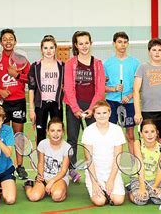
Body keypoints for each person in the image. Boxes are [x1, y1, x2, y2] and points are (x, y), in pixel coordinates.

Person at [0, 28, 30, 180]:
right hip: (1, 103)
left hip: (18, 101)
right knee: (0, 134)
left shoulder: (21, 59)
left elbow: (29, 79)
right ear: (0, 42)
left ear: (15, 41)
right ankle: (2, 165)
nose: (8, 41)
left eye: (10, 38)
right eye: (5, 39)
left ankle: (20, 166)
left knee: (18, 134)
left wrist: (17, 75)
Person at [64, 31, 105, 183]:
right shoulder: (70, 64)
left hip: (92, 106)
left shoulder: (98, 64)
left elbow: (100, 89)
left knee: (94, 138)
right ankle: (72, 169)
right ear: (76, 45)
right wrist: (75, 108)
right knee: (72, 139)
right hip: (73, 105)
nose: (84, 46)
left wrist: (92, 108)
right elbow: (68, 88)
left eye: (86, 43)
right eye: (80, 43)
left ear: (91, 43)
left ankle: (97, 167)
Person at [81, 100, 125, 206]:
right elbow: (89, 160)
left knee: (118, 200)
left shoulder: (117, 130)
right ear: (94, 115)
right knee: (100, 201)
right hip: (95, 173)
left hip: (112, 172)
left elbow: (117, 158)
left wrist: (111, 180)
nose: (102, 116)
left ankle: (110, 186)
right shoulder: (88, 131)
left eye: (104, 113)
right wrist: (95, 182)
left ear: (109, 113)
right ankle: (95, 187)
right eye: (98, 113)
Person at [133, 38, 161, 143]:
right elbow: (135, 90)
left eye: (160, 50)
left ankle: (160, 159)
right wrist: (138, 112)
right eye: (154, 50)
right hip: (147, 111)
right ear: (149, 52)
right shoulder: (142, 68)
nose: (157, 52)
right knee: (147, 141)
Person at [104, 32, 140, 154]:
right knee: (111, 135)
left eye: (125, 42)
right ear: (114, 44)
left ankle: (134, 164)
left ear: (128, 44)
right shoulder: (107, 64)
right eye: (119, 42)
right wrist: (113, 89)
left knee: (130, 135)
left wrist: (129, 95)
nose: (122, 45)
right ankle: (111, 162)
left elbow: (139, 86)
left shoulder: (135, 63)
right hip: (112, 103)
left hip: (129, 103)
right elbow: (101, 87)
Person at [27, 35, 65, 145]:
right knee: (41, 135)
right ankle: (41, 161)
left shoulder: (62, 66)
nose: (49, 51)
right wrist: (31, 109)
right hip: (40, 105)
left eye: (51, 48)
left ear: (55, 49)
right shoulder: (35, 66)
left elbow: (67, 85)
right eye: (45, 48)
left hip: (56, 105)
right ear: (41, 50)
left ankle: (57, 158)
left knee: (57, 133)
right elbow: (31, 88)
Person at [24, 117, 70, 202]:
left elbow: (63, 171)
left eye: (59, 131)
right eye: (52, 131)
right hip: (45, 176)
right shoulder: (43, 144)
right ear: (47, 132)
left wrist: (52, 182)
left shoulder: (67, 148)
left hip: (59, 178)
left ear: (63, 132)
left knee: (57, 196)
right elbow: (41, 163)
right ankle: (28, 186)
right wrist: (40, 175)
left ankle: (59, 189)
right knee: (33, 197)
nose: (55, 134)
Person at [128, 119, 161, 205]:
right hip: (138, 178)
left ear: (156, 133)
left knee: (159, 200)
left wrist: (155, 186)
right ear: (141, 134)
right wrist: (142, 187)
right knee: (140, 201)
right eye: (146, 132)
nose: (149, 135)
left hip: (154, 179)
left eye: (152, 131)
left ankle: (150, 192)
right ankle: (130, 192)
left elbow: (160, 171)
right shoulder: (137, 143)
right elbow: (140, 165)